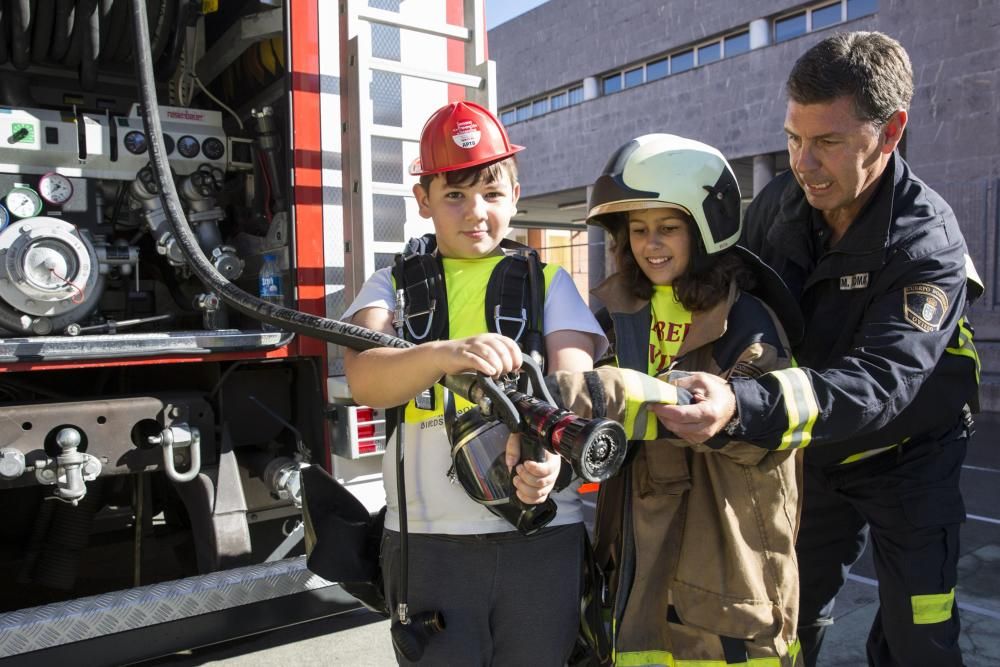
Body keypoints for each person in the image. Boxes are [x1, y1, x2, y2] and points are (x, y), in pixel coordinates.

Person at [654, 32, 982, 667]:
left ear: (890, 134)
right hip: (810, 450)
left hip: (910, 459)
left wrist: (739, 404)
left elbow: (878, 383)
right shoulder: (780, 203)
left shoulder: (928, 244)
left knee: (921, 633)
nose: (803, 163)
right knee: (787, 614)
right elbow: (718, 294)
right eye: (793, 138)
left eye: (828, 143)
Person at [341, 100, 607, 666]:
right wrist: (442, 353)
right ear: (423, 200)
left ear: (515, 193)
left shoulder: (551, 283)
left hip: (541, 534)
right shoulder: (390, 285)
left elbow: (574, 389)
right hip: (428, 544)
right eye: (455, 195)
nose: (475, 212)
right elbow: (364, 378)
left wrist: (553, 460)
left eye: (491, 193)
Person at [557, 133, 805, 665]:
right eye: (638, 230)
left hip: (720, 544)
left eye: (668, 228)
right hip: (633, 544)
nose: (651, 244)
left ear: (704, 227)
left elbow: (746, 437)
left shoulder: (748, 319)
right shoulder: (614, 313)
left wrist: (605, 397)